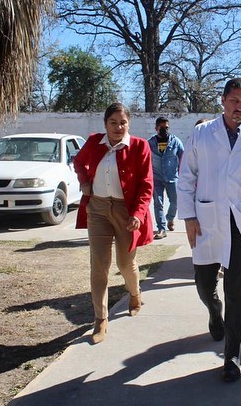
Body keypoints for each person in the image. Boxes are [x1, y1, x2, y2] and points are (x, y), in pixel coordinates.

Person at [177, 78, 241, 382]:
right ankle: (214, 311)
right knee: (203, 284)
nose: (240, 108)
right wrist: (188, 217)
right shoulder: (202, 133)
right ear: (223, 100)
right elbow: (186, 176)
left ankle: (233, 355)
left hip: (240, 223)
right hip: (207, 218)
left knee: (237, 291)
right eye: (235, 101)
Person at [73, 102, 154, 344]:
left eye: (123, 122)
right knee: (99, 266)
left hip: (125, 212)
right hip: (97, 209)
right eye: (113, 122)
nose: (118, 127)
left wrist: (138, 214)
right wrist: (84, 182)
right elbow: (78, 161)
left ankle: (135, 294)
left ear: (129, 123)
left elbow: (146, 184)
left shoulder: (139, 146)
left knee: (125, 262)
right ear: (105, 124)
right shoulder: (94, 142)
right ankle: (100, 319)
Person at [148, 116, 185, 239]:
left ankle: (170, 218)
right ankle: (161, 228)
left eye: (166, 127)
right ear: (156, 128)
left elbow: (183, 158)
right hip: (156, 177)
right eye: (161, 127)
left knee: (175, 201)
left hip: (172, 177)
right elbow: (144, 159)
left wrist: (183, 175)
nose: (164, 129)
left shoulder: (176, 142)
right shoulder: (150, 143)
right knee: (158, 204)